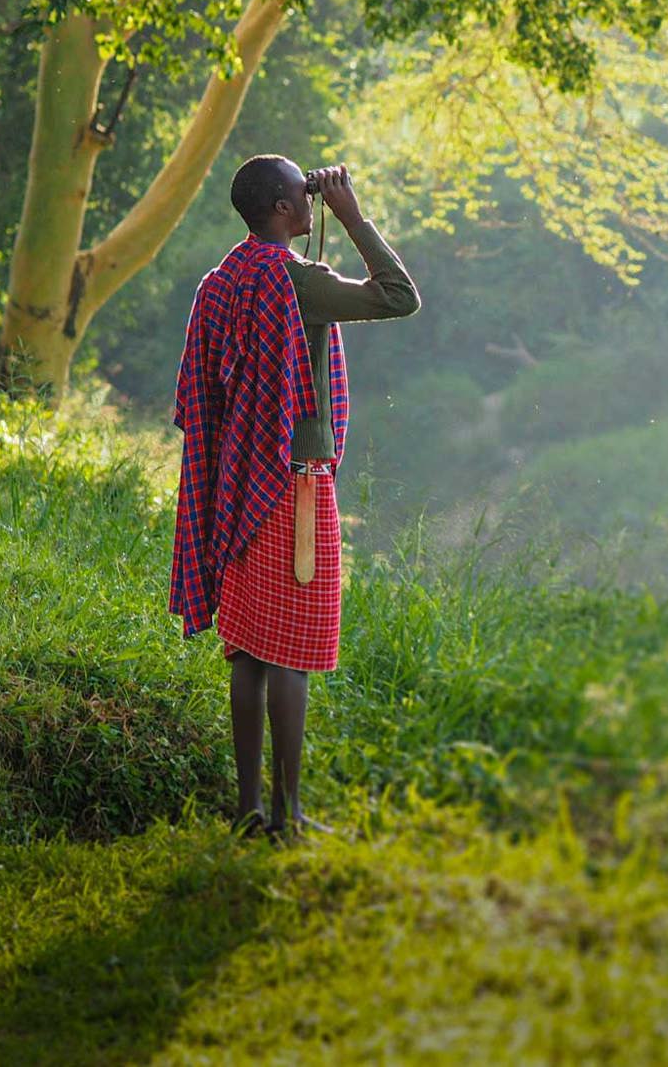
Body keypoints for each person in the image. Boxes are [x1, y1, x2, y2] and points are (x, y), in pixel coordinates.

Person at [169, 156, 420, 840]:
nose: (312, 199)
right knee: (291, 654)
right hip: (294, 485)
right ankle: (289, 814)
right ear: (284, 208)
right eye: (302, 193)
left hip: (235, 482)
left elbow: (200, 395)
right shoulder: (296, 283)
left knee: (248, 651)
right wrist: (351, 215)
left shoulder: (221, 281)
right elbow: (399, 295)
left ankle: (249, 808)